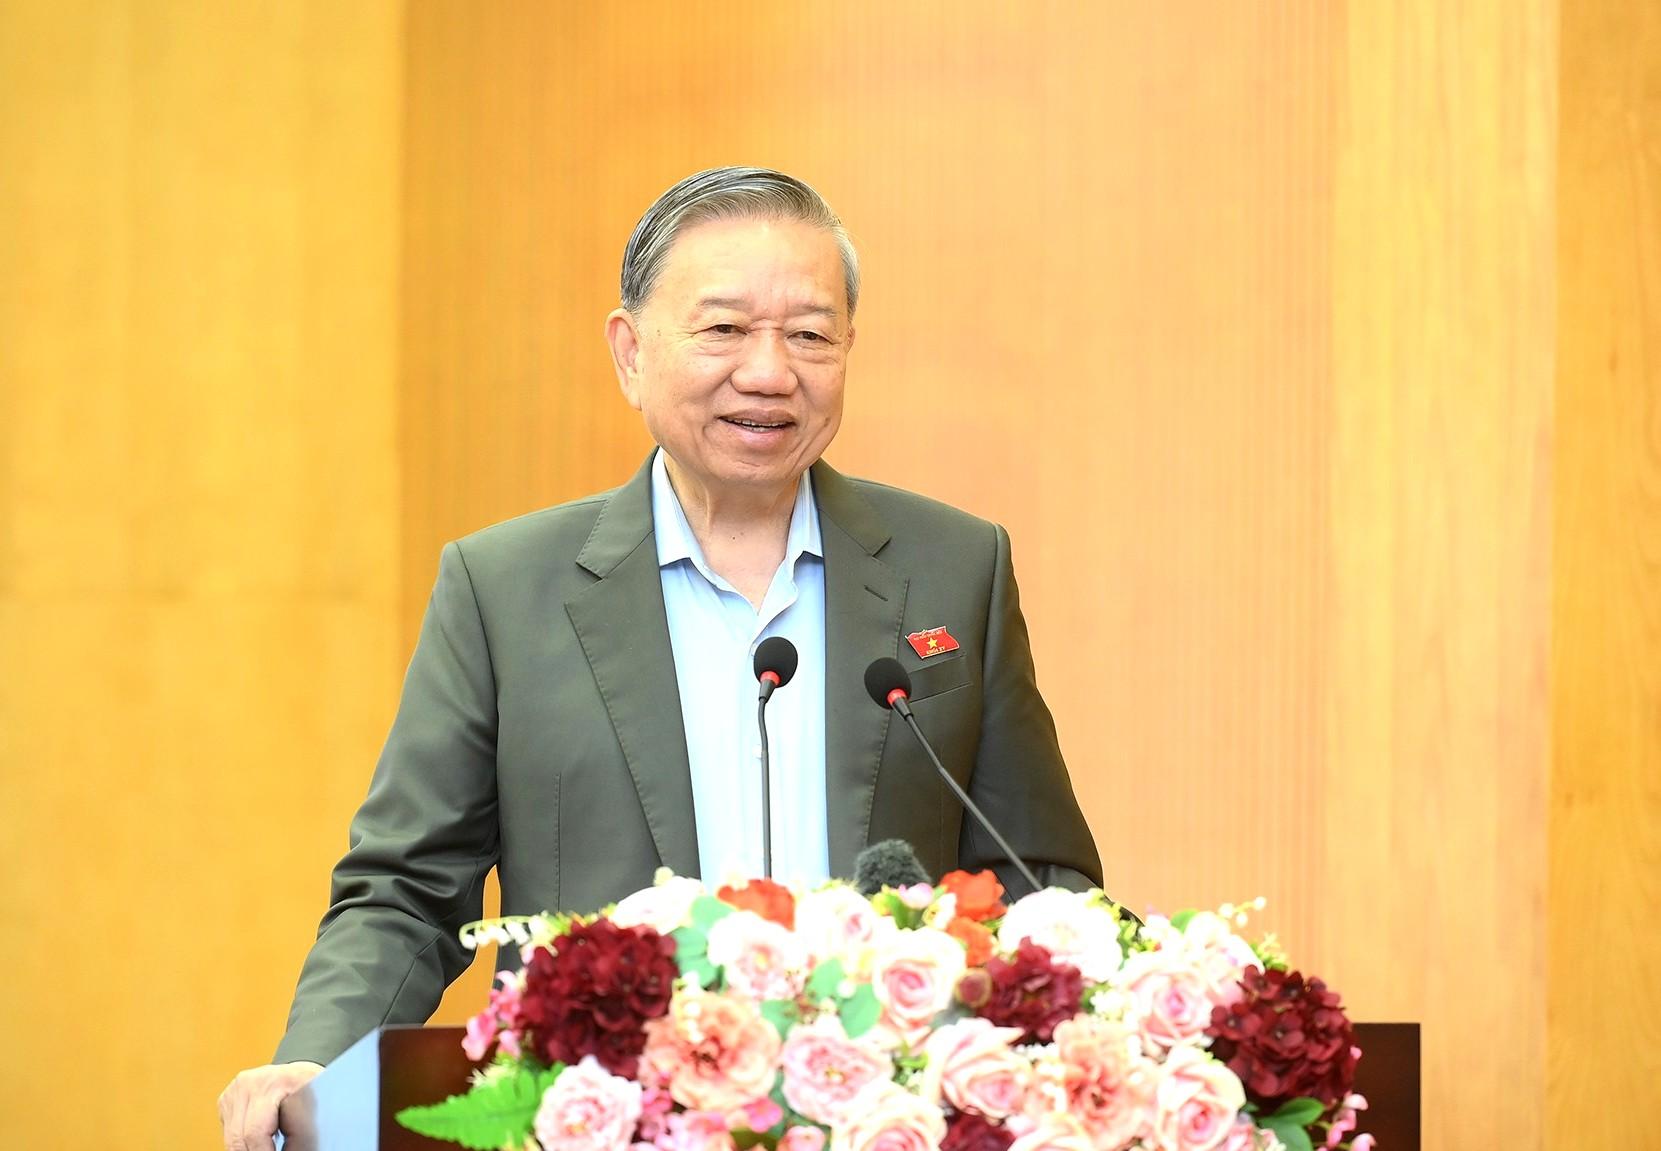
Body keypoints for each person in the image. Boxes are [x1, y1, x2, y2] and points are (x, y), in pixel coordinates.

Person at [218, 167, 1101, 1150]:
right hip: (604, 1119)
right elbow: (406, 888)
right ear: (630, 352)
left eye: (810, 334)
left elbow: (1040, 874)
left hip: (884, 1117)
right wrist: (317, 1058)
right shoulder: (504, 588)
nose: (768, 372)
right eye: (723, 329)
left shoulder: (951, 567)